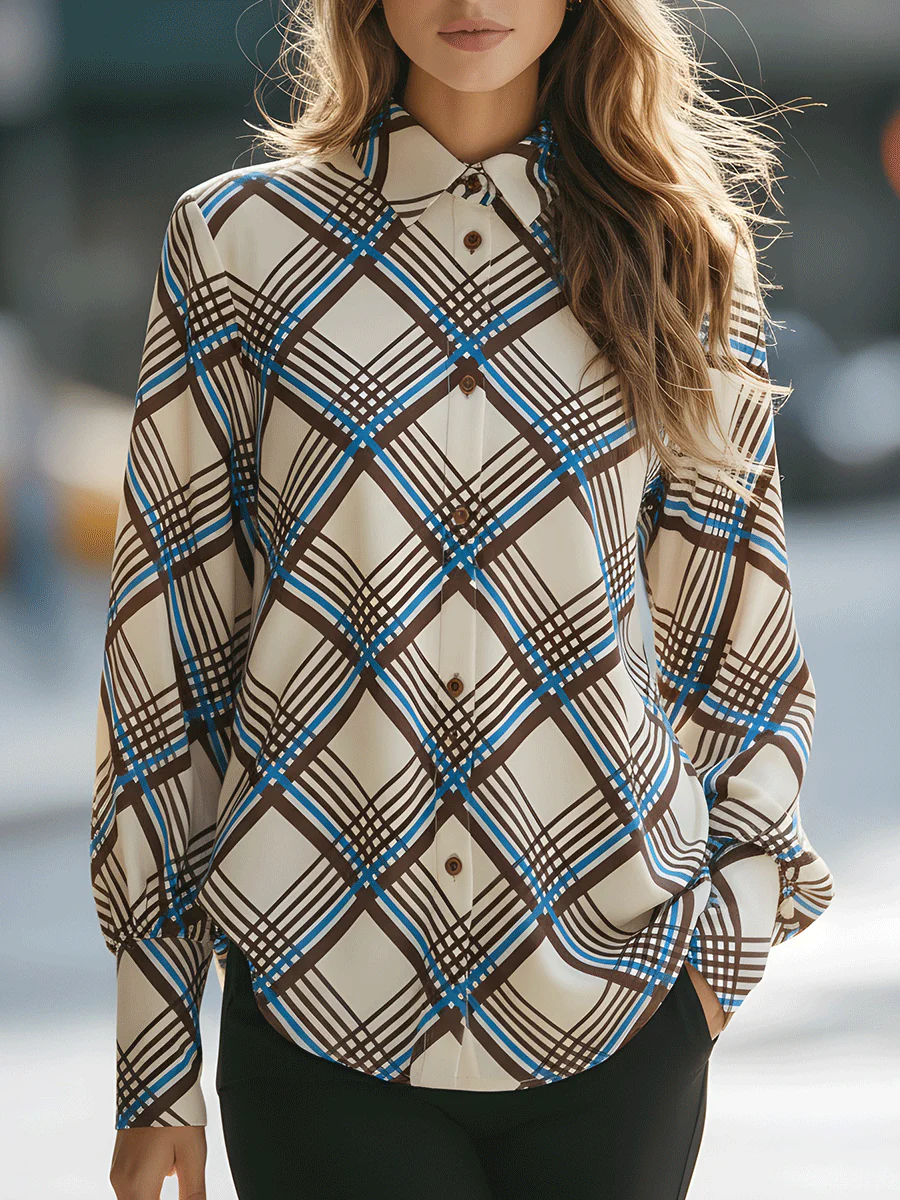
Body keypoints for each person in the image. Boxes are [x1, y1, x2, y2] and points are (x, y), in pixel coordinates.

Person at [91, 2, 836, 1197]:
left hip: (617, 1009)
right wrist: (156, 1056)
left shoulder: (683, 252)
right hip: (317, 999)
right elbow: (167, 659)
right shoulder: (238, 244)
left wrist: (714, 963)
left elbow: (736, 638)